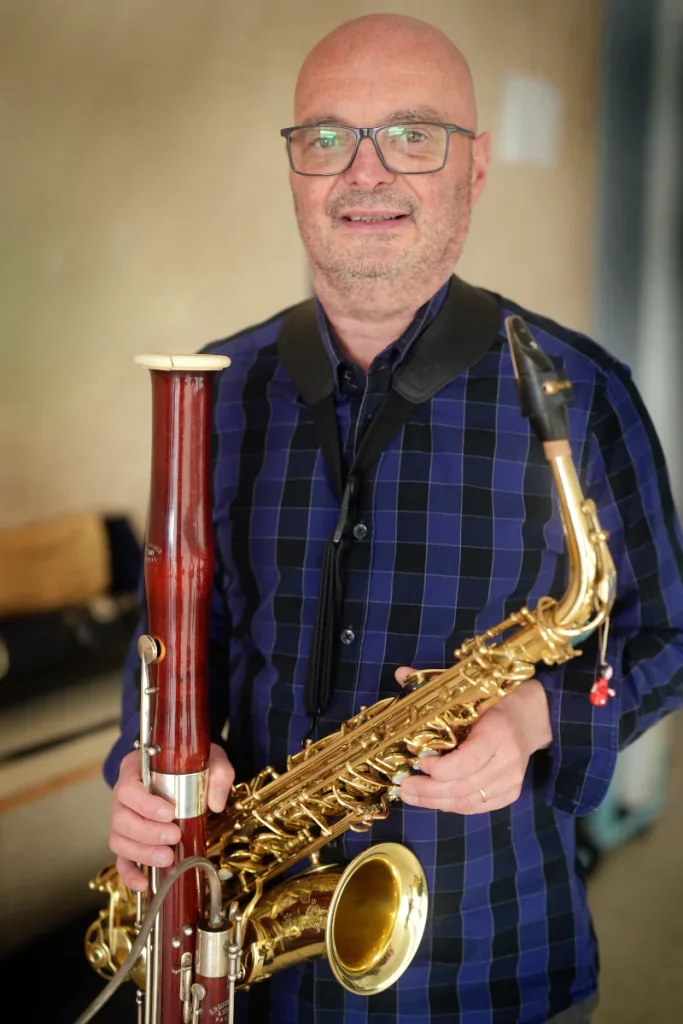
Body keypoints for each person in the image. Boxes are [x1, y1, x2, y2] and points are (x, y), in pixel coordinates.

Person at [103, 13, 683, 1024]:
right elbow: (170, 638)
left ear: (476, 164)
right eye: (325, 137)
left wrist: (537, 714)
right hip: (247, 972)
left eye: (411, 133)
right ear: (293, 169)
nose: (363, 172)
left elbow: (664, 636)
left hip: (489, 963)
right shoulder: (211, 387)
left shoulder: (578, 391)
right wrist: (142, 769)